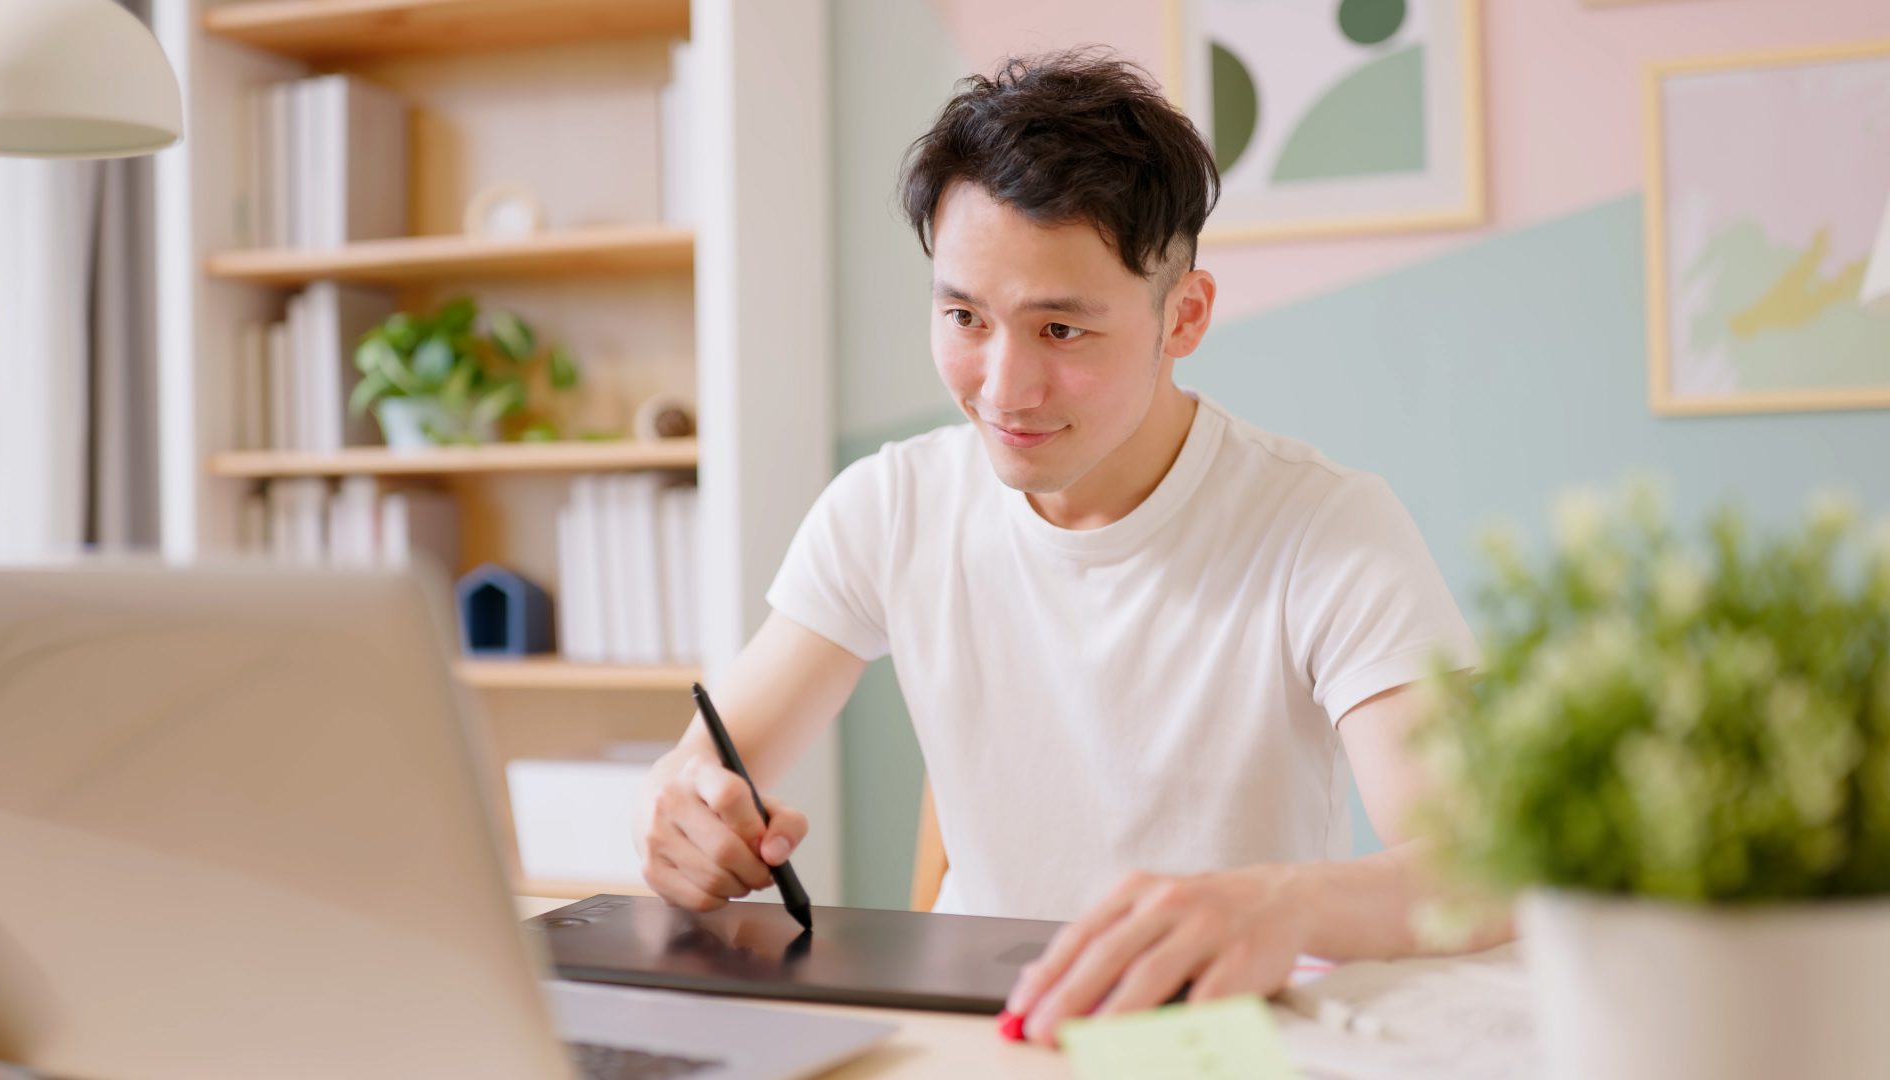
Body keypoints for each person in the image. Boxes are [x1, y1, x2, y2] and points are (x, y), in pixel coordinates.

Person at [632, 49, 1510, 1048]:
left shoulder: (1321, 526)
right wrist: (676, 810)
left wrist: (1281, 906)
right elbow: (709, 761)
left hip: (1201, 1038)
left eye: (1059, 330)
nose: (1003, 389)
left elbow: (1480, 869)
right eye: (963, 317)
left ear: (1182, 315)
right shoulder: (889, 506)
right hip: (969, 1027)